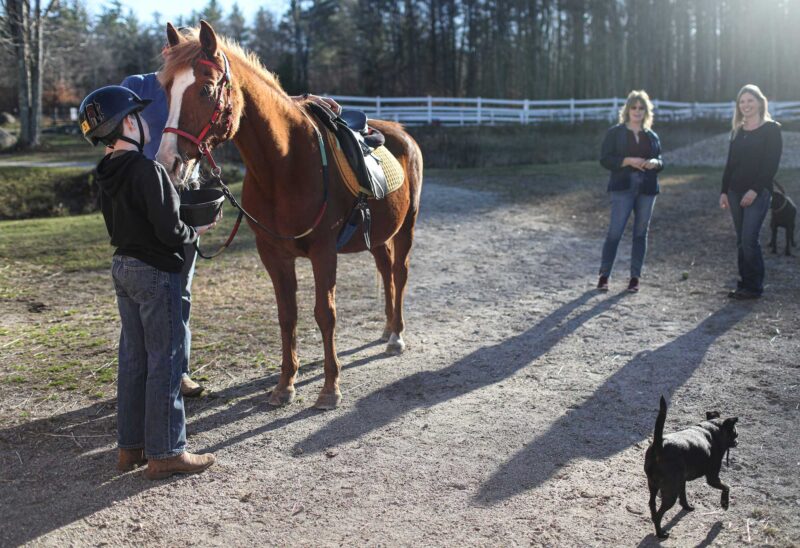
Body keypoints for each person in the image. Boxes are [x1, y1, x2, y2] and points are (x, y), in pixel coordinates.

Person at [120, 29, 342, 397]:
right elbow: (108, 126)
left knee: (181, 292)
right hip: (143, 205)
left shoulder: (201, 79)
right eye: (173, 53)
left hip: (181, 203)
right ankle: (141, 381)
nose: (174, 58)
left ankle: (178, 372)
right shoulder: (141, 87)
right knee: (144, 297)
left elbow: (240, 98)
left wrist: (295, 101)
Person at [79, 85, 216, 479]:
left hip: (123, 268)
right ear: (126, 123)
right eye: (138, 117)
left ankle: (131, 448)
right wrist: (198, 230)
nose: (144, 124)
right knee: (166, 361)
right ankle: (166, 452)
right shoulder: (147, 169)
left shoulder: (105, 172)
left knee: (134, 360)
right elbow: (171, 231)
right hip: (155, 273)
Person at [597, 90, 664, 293]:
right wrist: (627, 160)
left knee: (640, 234)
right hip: (622, 188)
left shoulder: (652, 135)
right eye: (633, 107)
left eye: (641, 107)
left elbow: (661, 160)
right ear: (627, 109)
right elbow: (605, 159)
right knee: (615, 232)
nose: (637, 111)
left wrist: (655, 162)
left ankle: (635, 278)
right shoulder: (615, 133)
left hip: (647, 188)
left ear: (646, 111)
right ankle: (604, 276)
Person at [719, 84, 782, 299]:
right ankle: (744, 284)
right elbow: (730, 164)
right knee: (740, 240)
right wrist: (724, 191)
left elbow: (770, 165)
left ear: (759, 102)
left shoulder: (771, 129)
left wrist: (754, 191)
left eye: (750, 100)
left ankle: (754, 287)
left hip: (758, 192)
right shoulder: (738, 130)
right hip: (735, 192)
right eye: (742, 101)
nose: (746, 105)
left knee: (749, 239)